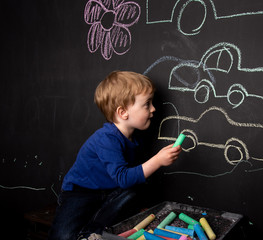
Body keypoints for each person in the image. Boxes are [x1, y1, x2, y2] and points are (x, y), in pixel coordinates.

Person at [48, 71, 182, 240]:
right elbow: (123, 178)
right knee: (63, 236)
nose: (153, 109)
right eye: (147, 104)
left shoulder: (133, 137)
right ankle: (89, 232)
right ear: (123, 112)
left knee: (132, 194)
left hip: (109, 192)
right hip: (80, 193)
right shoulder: (106, 139)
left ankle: (90, 233)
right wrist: (157, 160)